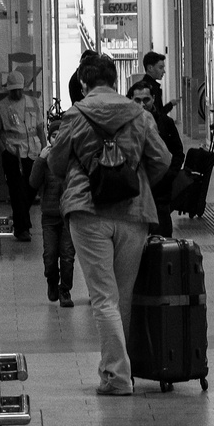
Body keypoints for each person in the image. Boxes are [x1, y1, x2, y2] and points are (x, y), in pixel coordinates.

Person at [46, 54, 172, 395]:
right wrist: (137, 181)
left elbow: (56, 165)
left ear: (84, 84)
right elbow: (162, 159)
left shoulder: (75, 115)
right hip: (133, 213)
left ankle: (117, 376)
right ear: (114, 80)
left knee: (103, 297)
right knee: (123, 296)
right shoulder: (140, 114)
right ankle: (114, 369)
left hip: (87, 211)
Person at [27, 111, 75, 307]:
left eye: (61, 135)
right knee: (49, 255)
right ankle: (51, 281)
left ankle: (65, 290)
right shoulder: (45, 159)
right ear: (50, 137)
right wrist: (40, 159)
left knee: (67, 256)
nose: (58, 139)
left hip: (68, 216)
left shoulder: (72, 158)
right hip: (49, 216)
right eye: (55, 136)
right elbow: (33, 182)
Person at [129, 76, 184, 237]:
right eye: (137, 100)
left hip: (161, 188)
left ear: (153, 99)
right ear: (130, 100)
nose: (142, 104)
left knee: (162, 233)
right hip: (135, 189)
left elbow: (178, 151)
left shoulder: (165, 122)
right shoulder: (125, 124)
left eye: (146, 99)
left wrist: (170, 175)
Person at [0, 70, 43, 242]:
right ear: (9, 89)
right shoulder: (1, 107)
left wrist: (45, 148)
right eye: (13, 90)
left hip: (32, 151)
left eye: (19, 89)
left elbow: (39, 126)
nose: (17, 93)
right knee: (17, 192)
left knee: (31, 188)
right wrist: (4, 151)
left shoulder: (32, 102)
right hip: (13, 153)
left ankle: (20, 222)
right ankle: (22, 228)